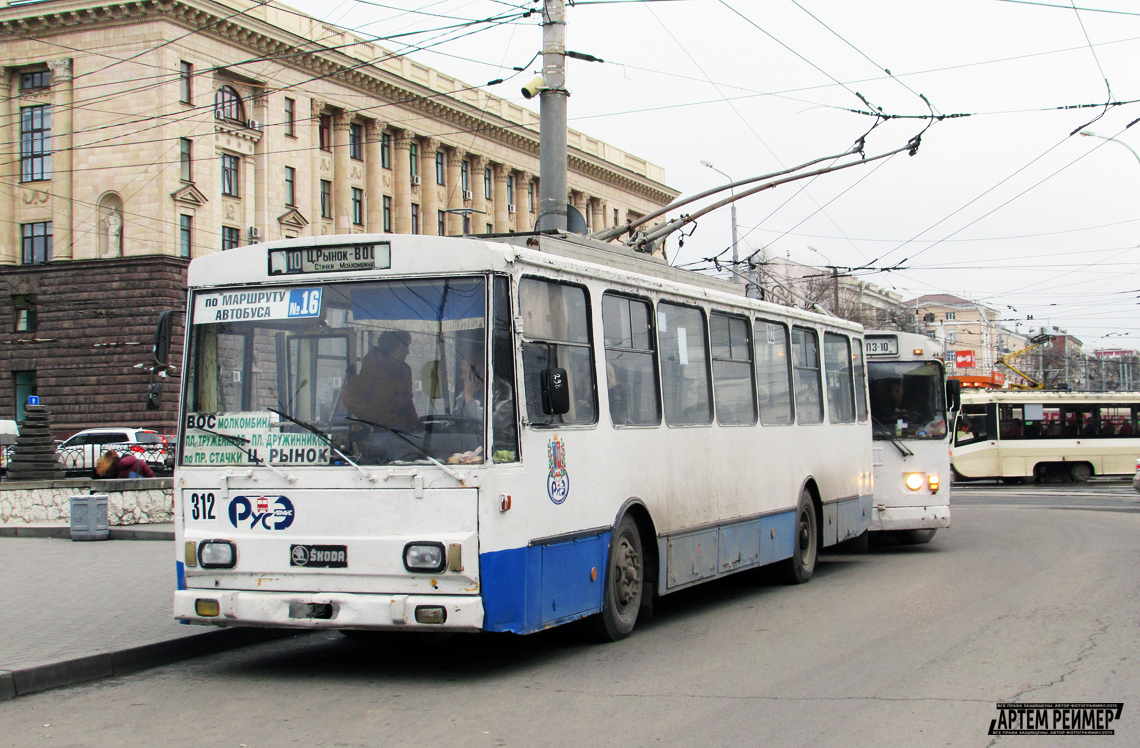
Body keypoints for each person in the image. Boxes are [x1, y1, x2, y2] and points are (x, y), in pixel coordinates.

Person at [340, 330, 419, 432]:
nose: (407, 352)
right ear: (392, 348)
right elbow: (348, 395)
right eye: (404, 348)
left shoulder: (404, 371)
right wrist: (376, 419)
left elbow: (407, 401)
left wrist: (415, 424)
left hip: (401, 433)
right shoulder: (373, 368)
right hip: (375, 434)